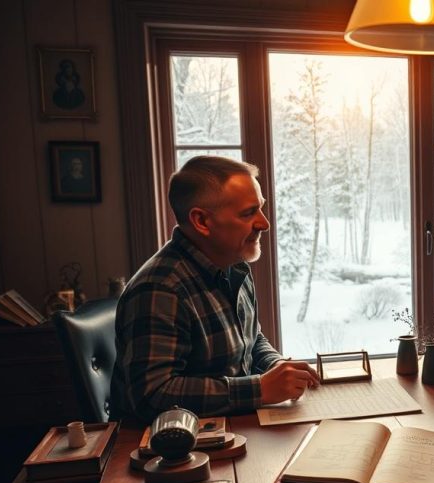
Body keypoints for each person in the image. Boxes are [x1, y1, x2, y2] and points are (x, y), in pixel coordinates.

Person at [111, 155, 319, 421]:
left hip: (230, 429)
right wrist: (260, 389)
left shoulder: (235, 265)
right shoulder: (159, 290)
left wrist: (277, 366)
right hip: (171, 450)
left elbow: (251, 340)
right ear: (201, 221)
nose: (264, 223)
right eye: (248, 213)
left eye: (261, 208)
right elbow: (152, 395)